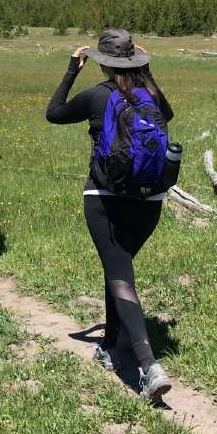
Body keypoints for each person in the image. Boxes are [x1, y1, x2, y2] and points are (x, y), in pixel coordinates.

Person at [45, 29, 175, 404]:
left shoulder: (98, 96)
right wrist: (146, 71)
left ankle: (148, 366)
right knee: (118, 269)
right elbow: (167, 115)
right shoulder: (150, 94)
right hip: (150, 200)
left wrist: (71, 70)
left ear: (102, 63)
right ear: (134, 61)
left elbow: (53, 113)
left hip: (106, 198)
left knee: (119, 275)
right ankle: (111, 345)